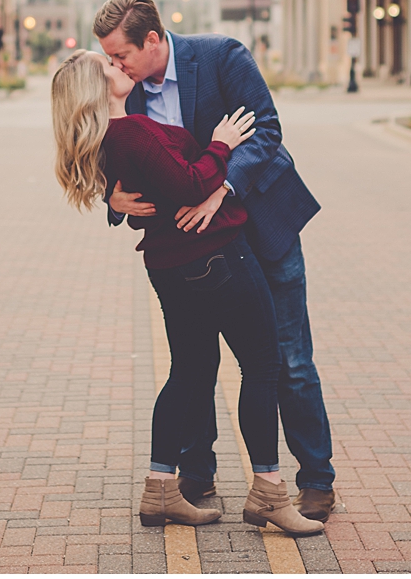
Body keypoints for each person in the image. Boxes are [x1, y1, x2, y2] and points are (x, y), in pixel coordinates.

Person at [51, 48, 325, 539]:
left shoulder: (112, 136)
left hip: (171, 264)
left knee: (190, 371)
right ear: (98, 89)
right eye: (109, 65)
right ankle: (269, 492)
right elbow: (191, 182)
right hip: (217, 256)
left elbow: (144, 178)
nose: (119, 66)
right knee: (263, 366)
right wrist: (221, 144)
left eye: (119, 57)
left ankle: (160, 489)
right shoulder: (131, 129)